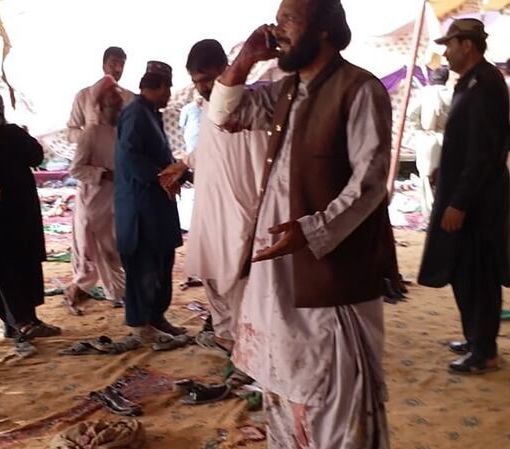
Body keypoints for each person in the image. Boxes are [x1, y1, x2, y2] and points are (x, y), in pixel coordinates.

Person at [207, 0, 393, 446]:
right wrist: (248, 57)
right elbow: (223, 115)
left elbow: (369, 184)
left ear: (324, 29)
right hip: (280, 270)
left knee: (332, 391)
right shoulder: (284, 90)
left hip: (329, 274)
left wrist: (311, 232)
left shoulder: (360, 89)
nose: (278, 27)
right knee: (284, 381)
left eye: (290, 17)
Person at [160, 39, 268, 358]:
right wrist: (184, 163)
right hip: (210, 206)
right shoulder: (209, 106)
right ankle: (225, 336)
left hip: (242, 208)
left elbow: (264, 163)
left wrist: (260, 215)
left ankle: (251, 350)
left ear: (226, 68)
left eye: (207, 79)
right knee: (211, 274)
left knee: (238, 280)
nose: (204, 87)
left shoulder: (250, 103)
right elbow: (207, 147)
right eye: (197, 82)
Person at [418, 19, 510, 375]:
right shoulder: (470, 83)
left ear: (467, 45)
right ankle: (475, 338)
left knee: (479, 273)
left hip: (478, 202)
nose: (445, 51)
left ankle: (484, 350)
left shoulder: (485, 84)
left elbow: (484, 153)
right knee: (463, 270)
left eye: (450, 44)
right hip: (463, 192)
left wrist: (460, 202)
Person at [0, 90, 60, 355]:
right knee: (22, 264)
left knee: (6, 266)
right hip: (19, 209)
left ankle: (16, 321)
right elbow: (37, 156)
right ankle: (25, 322)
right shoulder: (11, 133)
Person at [115, 61, 187, 343]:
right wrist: (163, 177)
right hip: (141, 206)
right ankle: (140, 324)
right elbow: (131, 158)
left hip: (156, 205)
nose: (169, 93)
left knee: (161, 262)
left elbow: (159, 157)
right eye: (167, 87)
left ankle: (157, 317)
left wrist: (178, 172)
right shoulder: (135, 113)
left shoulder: (150, 114)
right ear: (156, 87)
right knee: (143, 265)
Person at [65, 76, 127, 315]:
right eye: (114, 102)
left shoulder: (120, 131)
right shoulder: (90, 133)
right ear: (101, 105)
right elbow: (75, 169)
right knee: (88, 259)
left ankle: (117, 294)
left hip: (113, 202)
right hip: (92, 203)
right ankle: (73, 294)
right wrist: (103, 174)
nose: (119, 105)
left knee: (114, 250)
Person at [407, 67, 451, 215]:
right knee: (445, 176)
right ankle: (442, 210)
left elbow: (412, 115)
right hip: (447, 139)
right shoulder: (452, 94)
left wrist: (418, 132)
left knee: (426, 177)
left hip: (427, 138)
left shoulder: (424, 93)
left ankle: (430, 212)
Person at [66, 46, 133, 143]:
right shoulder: (83, 96)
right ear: (104, 65)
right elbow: (71, 132)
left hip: (120, 155)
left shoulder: (130, 98)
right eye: (114, 63)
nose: (118, 69)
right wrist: (89, 136)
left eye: (122, 65)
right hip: (93, 156)